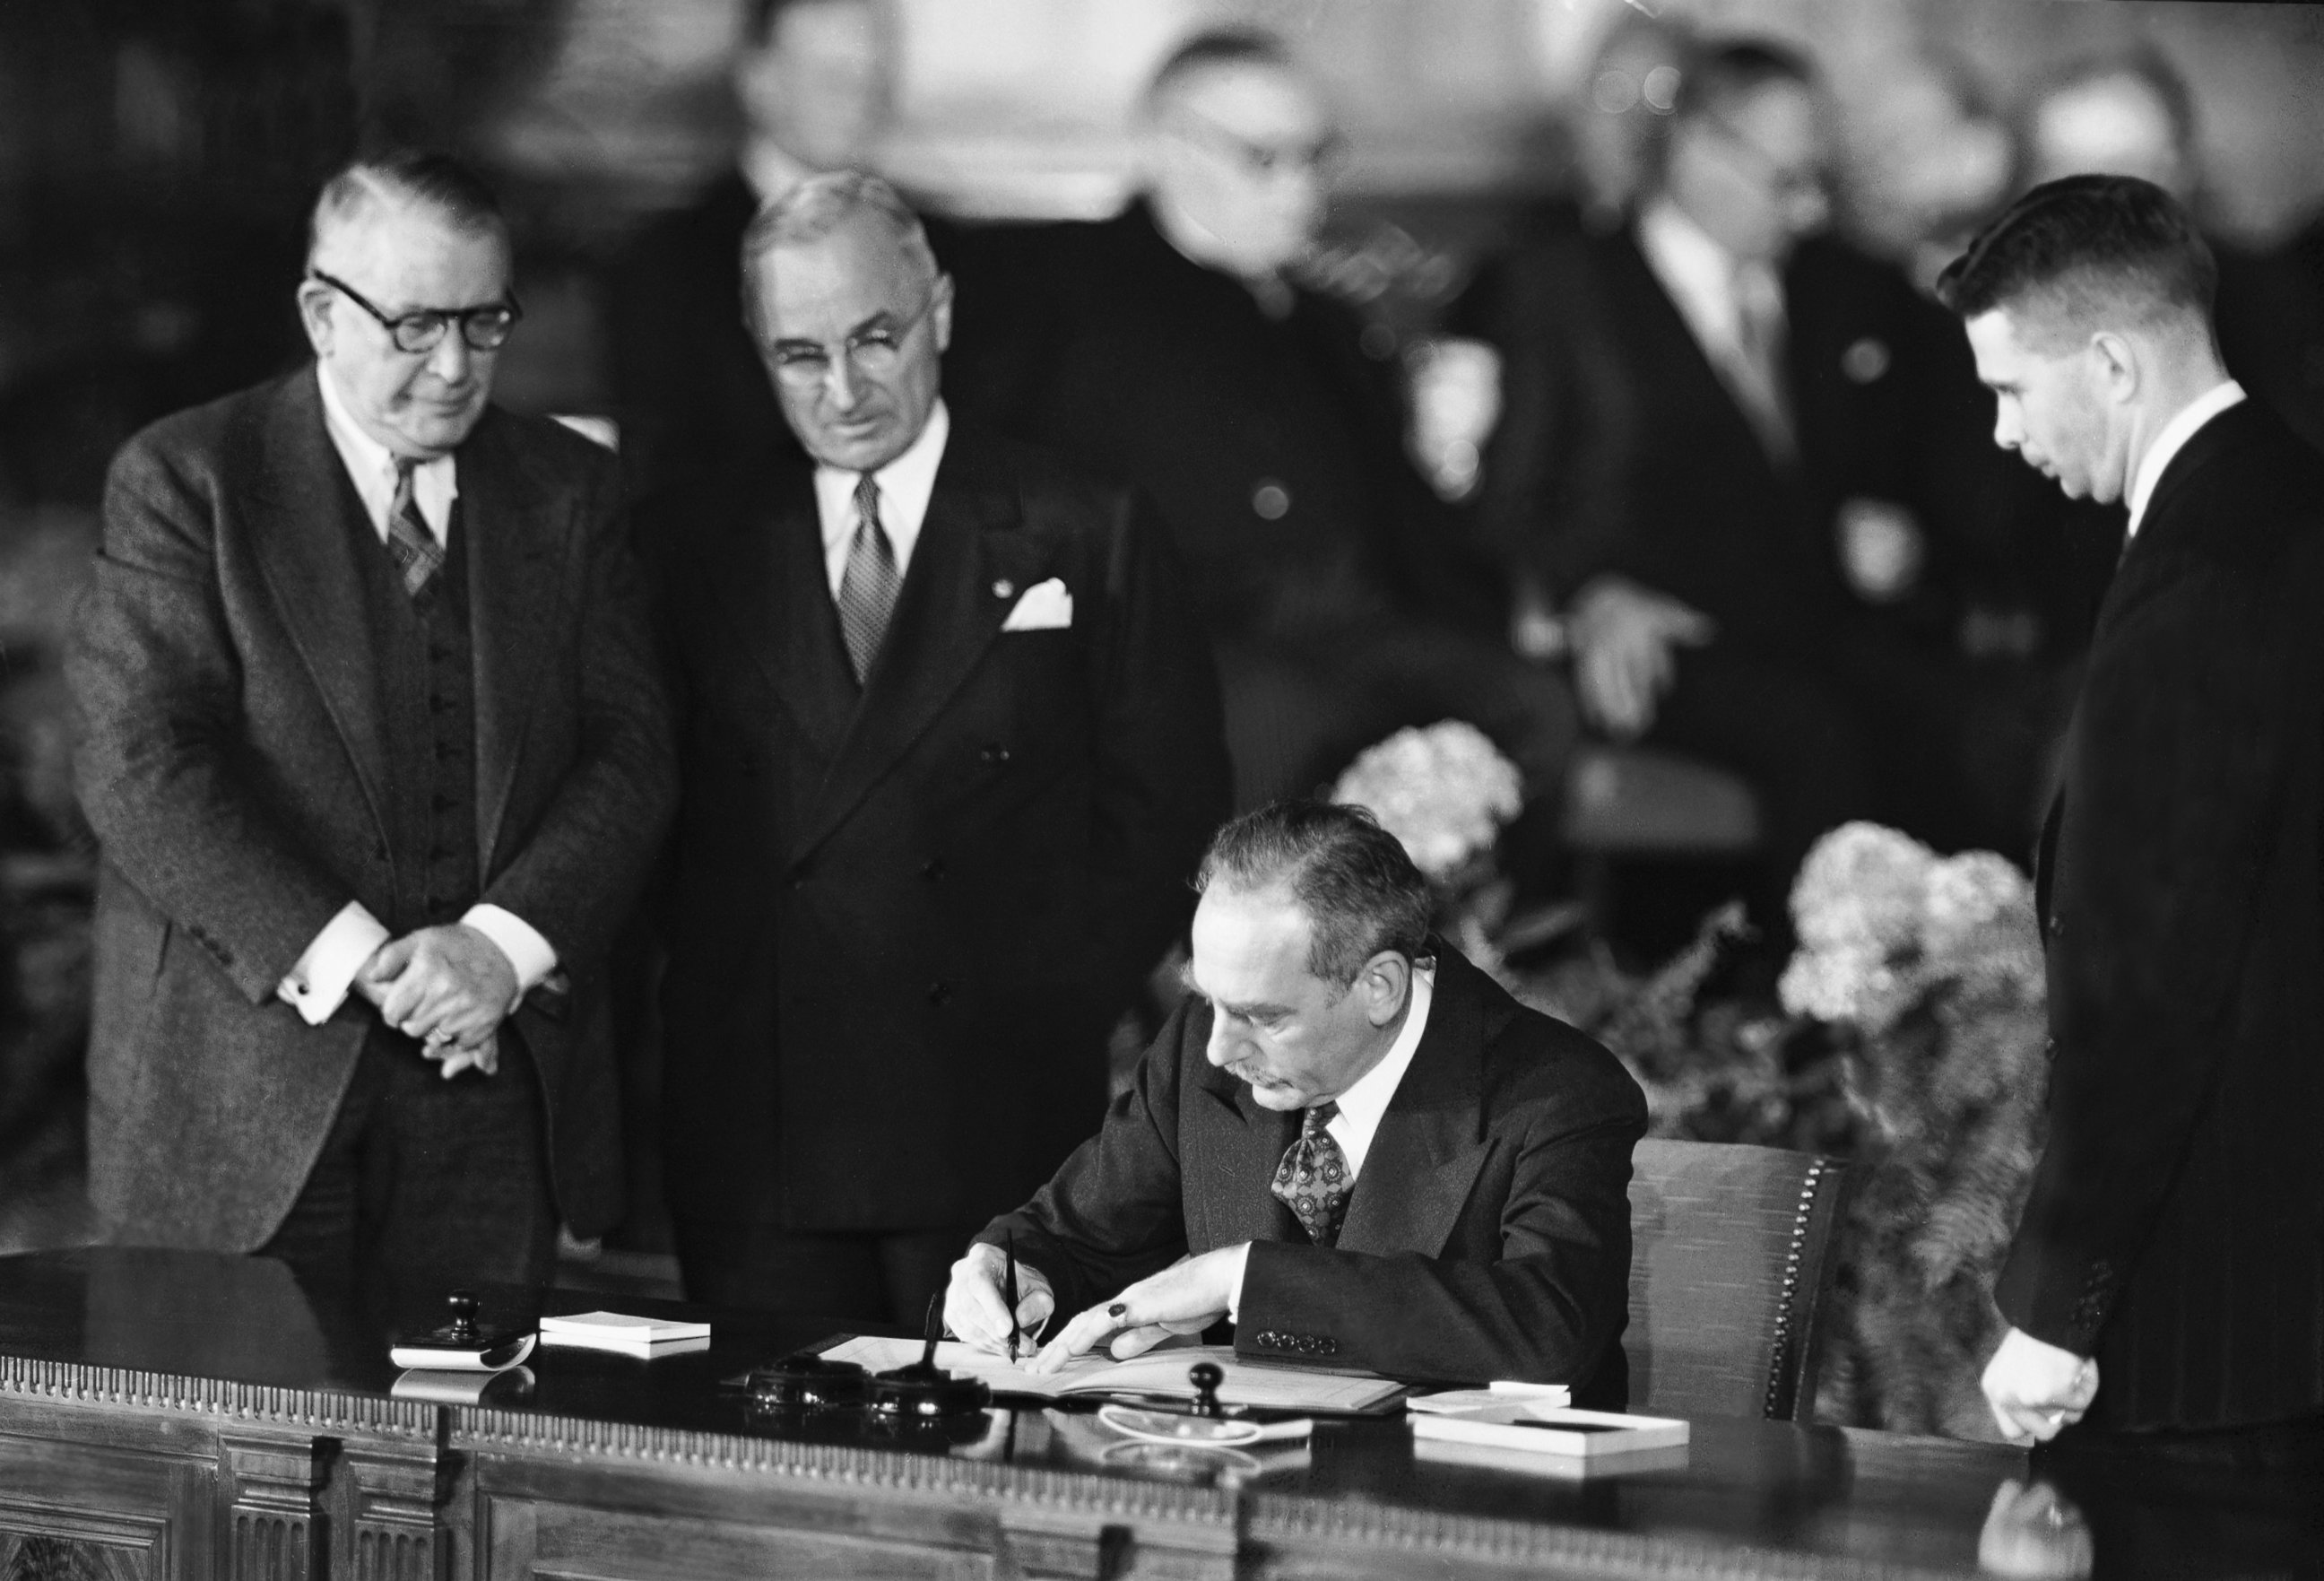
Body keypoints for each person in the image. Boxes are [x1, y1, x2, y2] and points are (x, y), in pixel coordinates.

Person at [67, 152, 676, 1316]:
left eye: (485, 322)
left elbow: (632, 751)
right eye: (413, 325)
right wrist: (366, 964)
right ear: (320, 312)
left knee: (465, 1475)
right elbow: (141, 767)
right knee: (233, 1473)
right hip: (237, 1106)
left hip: (494, 1101)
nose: (454, 366)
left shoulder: (571, 488)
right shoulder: (188, 478)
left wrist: (500, 947)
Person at [655, 172, 1230, 1326]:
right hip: (768, 1123)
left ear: (943, 314)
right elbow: (653, 813)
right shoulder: (688, 535)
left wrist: (1041, 1002)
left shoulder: (1083, 521)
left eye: (876, 339)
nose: (846, 390)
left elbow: (1166, 806)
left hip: (996, 1114)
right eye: (800, 356)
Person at [1469, 38, 2048, 915]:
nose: (1809, 208)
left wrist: (1907, 536)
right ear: (1699, 149)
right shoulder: (1559, 287)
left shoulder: (1842, 288)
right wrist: (1586, 595)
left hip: (1825, 620)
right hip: (1659, 641)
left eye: (1820, 179)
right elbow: (1502, 502)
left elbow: (1930, 462)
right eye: (1788, 180)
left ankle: (1975, 1006)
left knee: (1981, 722)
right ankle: (1814, 1015)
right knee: (1813, 735)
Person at [1939, 177, 2324, 1466]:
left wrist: (2055, 1307)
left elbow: (2155, 981)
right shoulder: (2285, 501)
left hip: (2220, 1320)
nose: (2002, 434)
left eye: (2009, 389)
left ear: (2109, 360)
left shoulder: (2201, 579)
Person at [952, 28, 1578, 814]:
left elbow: (1406, 506)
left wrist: (1450, 456)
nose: (1300, 188)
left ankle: (1453, 936)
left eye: (1315, 155)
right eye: (1265, 157)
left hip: (1355, 619)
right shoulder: (1054, 284)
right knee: (1271, 716)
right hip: (1173, 629)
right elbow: (970, 472)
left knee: (1531, 708)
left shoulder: (1330, 321)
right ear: (1170, 149)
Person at [945, 801, 1646, 1399]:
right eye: (1208, 1000)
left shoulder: (1557, 1091)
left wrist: (1243, 1276)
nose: (1221, 1048)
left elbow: (1550, 1330)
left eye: (1264, 1016)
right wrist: (1011, 1274)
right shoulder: (1203, 1047)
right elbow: (1074, 1237)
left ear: (1380, 987)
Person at [2022, 49, 2324, 458]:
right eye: (2065, 173)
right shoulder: (2002, 323)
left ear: (2180, 172)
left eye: (2125, 170)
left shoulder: (2269, 306)